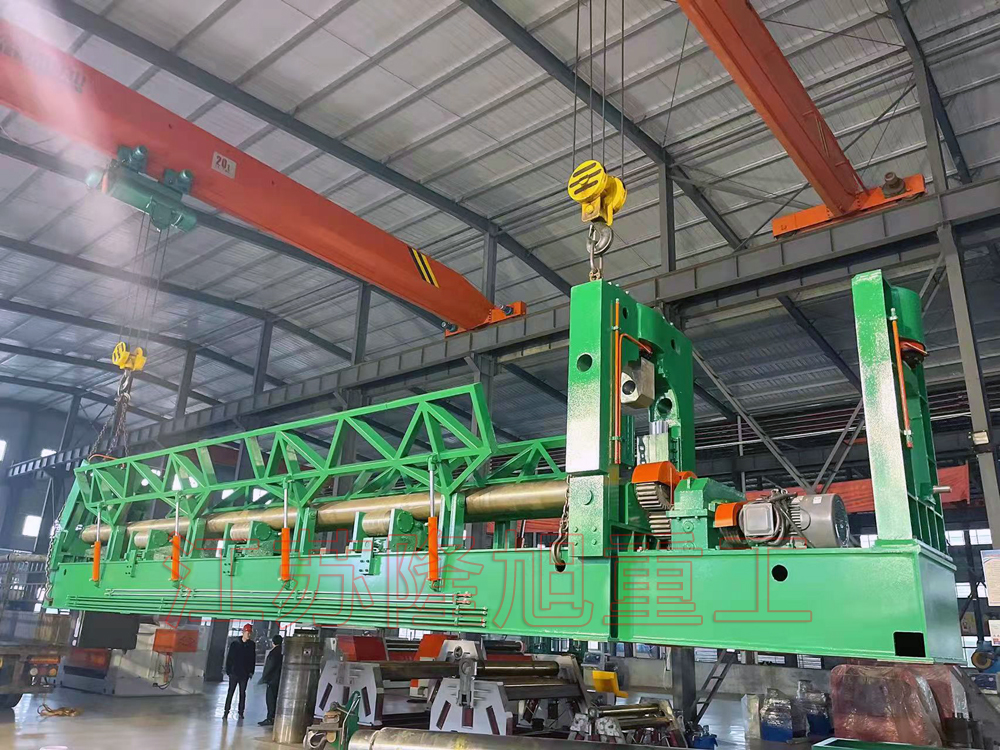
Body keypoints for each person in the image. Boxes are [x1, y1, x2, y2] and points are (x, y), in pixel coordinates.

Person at [223, 623, 256, 719]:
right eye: (247, 632)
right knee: (231, 692)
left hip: (244, 673)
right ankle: (226, 711)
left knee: (242, 693)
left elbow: (252, 659)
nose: (249, 635)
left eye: (250, 633)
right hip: (234, 673)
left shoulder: (251, 645)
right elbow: (229, 658)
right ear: (243, 632)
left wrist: (251, 671)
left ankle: (241, 712)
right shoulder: (235, 644)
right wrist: (228, 670)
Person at [258, 634, 284, 726]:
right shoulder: (283, 652)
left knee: (270, 699)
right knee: (276, 699)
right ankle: (274, 717)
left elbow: (269, 666)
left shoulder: (273, 653)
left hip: (272, 680)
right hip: (280, 679)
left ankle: (270, 718)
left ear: (273, 642)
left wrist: (264, 678)